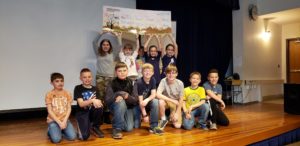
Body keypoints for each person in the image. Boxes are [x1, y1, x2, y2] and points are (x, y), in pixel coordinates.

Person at [105, 62, 139, 139]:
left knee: (129, 128)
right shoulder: (111, 83)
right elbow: (107, 101)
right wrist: (119, 94)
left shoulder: (133, 82)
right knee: (121, 102)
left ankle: (118, 119)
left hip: (128, 107)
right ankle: (116, 129)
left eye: (124, 70)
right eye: (119, 71)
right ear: (116, 72)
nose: (122, 73)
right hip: (115, 107)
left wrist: (126, 96)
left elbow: (135, 100)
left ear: (127, 71)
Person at [93, 34, 118, 124]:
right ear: (101, 46)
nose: (105, 46)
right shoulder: (98, 53)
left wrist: (115, 35)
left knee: (108, 97)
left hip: (110, 77)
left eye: (107, 45)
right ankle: (100, 114)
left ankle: (107, 115)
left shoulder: (113, 54)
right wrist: (101, 34)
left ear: (110, 46)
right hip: (100, 77)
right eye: (104, 44)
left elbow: (119, 46)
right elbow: (94, 42)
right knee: (100, 96)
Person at [74, 68, 104, 140]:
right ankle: (85, 125)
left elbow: (99, 102)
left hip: (92, 112)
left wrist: (99, 103)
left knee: (99, 106)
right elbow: (81, 104)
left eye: (89, 77)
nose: (87, 79)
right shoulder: (78, 88)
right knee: (84, 136)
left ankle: (95, 126)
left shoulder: (95, 88)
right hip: (82, 113)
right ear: (80, 78)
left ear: (92, 77)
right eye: (84, 77)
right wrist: (92, 100)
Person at [45, 72, 76, 143]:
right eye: (57, 81)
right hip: (54, 121)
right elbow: (50, 111)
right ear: (52, 83)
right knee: (56, 140)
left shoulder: (67, 93)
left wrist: (64, 121)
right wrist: (59, 123)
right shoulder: (49, 94)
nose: (60, 83)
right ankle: (50, 131)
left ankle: (60, 130)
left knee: (73, 137)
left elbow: (69, 109)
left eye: (62, 81)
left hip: (65, 120)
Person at [136, 63, 163, 135]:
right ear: (142, 72)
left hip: (146, 102)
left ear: (153, 73)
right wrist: (145, 115)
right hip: (138, 104)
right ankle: (139, 116)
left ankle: (153, 126)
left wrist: (147, 100)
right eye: (145, 71)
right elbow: (140, 101)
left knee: (155, 101)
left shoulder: (153, 79)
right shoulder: (139, 83)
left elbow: (153, 94)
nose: (148, 72)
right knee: (135, 126)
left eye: (149, 71)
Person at [157, 64, 184, 129]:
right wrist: (172, 100)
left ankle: (172, 116)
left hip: (176, 104)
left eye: (173, 73)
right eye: (169, 73)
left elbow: (181, 99)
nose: (171, 75)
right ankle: (163, 119)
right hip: (167, 101)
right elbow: (157, 94)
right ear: (165, 74)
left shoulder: (180, 83)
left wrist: (177, 113)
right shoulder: (163, 81)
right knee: (160, 101)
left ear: (176, 74)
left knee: (177, 126)